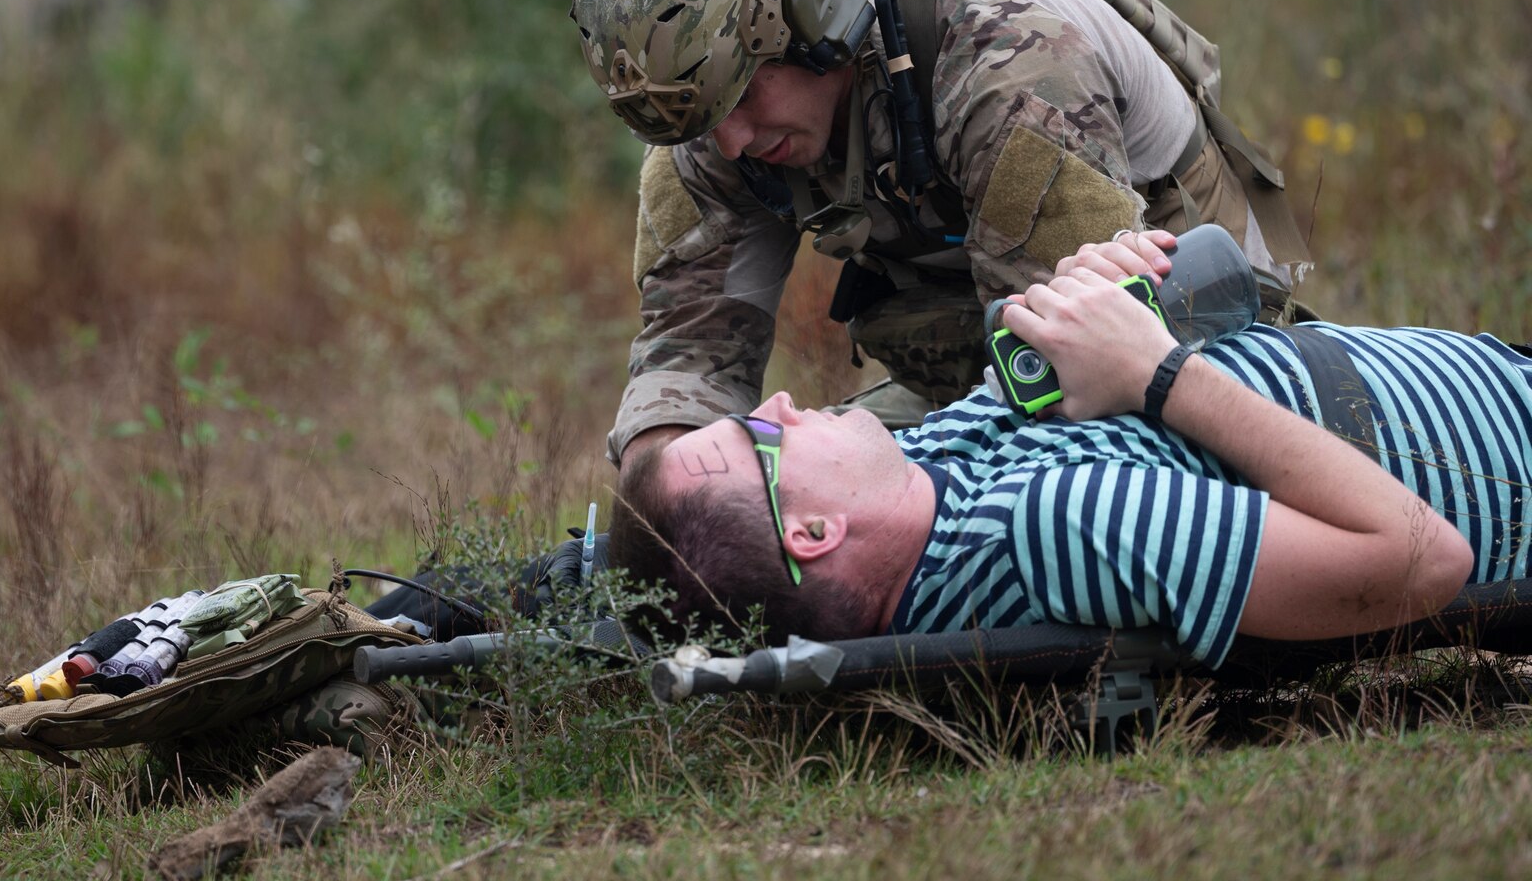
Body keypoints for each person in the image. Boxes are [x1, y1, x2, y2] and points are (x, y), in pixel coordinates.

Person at [569, 0, 1312, 492]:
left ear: (812, 14)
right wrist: (668, 512)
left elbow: (1072, 385)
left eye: (740, 96)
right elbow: (690, 360)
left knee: (847, 516)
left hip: (1190, 360)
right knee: (766, 501)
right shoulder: (713, 116)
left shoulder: (1007, 68)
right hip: (999, 375)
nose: (728, 142)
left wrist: (848, 504)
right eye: (700, 119)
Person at [605, 230, 1529, 669]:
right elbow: (1422, 559)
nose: (777, 400)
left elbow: (1054, 370)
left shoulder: (935, 463)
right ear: (811, 530)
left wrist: (1106, 290)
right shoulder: (1052, 526)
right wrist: (1163, 373)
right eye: (761, 434)